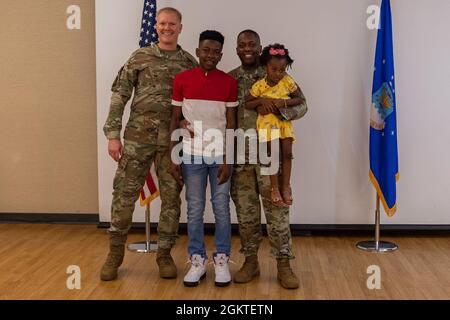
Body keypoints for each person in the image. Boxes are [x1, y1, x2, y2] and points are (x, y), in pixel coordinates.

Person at [100, 7, 198, 281]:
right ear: (156, 26)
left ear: (180, 27)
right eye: (162, 23)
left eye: (172, 24)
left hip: (171, 144)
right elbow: (120, 94)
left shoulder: (188, 63)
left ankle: (164, 255)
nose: (167, 28)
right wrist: (112, 134)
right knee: (123, 198)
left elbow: (193, 105)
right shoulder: (140, 57)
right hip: (136, 141)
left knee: (170, 201)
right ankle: (114, 255)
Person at [228, 31, 307, 289]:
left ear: (260, 48)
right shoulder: (231, 79)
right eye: (243, 45)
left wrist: (277, 108)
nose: (247, 48)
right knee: (246, 214)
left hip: (271, 158)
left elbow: (302, 105)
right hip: (242, 159)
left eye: (252, 44)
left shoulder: (276, 74)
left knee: (278, 213)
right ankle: (250, 261)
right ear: (237, 49)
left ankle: (284, 264)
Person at [169, 30, 237, 287]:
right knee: (195, 208)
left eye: (215, 51)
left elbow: (231, 122)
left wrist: (228, 158)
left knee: (221, 208)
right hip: (191, 156)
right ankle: (196, 260)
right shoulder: (182, 79)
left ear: (221, 54)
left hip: (219, 155)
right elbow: (175, 118)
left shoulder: (228, 82)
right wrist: (174, 156)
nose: (210, 55)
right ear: (197, 51)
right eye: (205, 50)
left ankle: (221, 259)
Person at [245, 43, 304, 206]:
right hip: (266, 124)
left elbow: (299, 99)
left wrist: (282, 102)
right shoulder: (259, 86)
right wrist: (261, 101)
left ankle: (286, 187)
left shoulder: (287, 81)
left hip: (283, 123)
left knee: (286, 154)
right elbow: (246, 102)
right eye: (274, 69)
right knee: (272, 156)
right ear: (265, 67)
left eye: (282, 70)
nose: (278, 73)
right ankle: (274, 188)